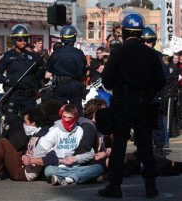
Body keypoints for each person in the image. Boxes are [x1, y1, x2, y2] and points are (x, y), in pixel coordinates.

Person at [98, 12, 165, 198]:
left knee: (119, 145)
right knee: (145, 146)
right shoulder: (150, 54)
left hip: (124, 103)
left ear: (125, 32)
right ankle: (150, 185)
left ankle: (115, 185)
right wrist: (147, 91)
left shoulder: (118, 52)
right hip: (144, 104)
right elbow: (160, 80)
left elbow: (107, 80)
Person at [24, 104, 101, 186]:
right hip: (57, 166)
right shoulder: (54, 131)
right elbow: (39, 152)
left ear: (75, 118)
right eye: (65, 117)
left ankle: (67, 179)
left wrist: (75, 158)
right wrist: (60, 160)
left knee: (99, 168)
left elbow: (91, 153)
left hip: (75, 166)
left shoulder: (79, 131)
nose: (67, 120)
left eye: (70, 118)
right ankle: (77, 177)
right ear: (61, 116)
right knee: (48, 171)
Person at [0, 24, 42, 125]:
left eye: (25, 39)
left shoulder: (33, 56)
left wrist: (41, 69)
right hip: (13, 94)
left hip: (29, 95)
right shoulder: (7, 56)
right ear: (14, 40)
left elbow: (38, 75)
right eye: (19, 40)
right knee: (10, 123)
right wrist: (8, 81)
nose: (23, 42)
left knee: (31, 123)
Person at [140, 26, 170, 158]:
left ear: (153, 42)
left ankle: (159, 147)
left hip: (154, 93)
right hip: (140, 94)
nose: (147, 44)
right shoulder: (136, 56)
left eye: (149, 41)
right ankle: (142, 147)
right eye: (144, 41)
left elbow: (163, 77)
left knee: (157, 123)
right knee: (141, 123)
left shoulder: (160, 57)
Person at [45, 25, 87, 116]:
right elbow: (84, 72)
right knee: (77, 110)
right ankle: (79, 127)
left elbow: (47, 74)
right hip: (76, 85)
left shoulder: (55, 53)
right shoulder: (80, 53)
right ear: (74, 38)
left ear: (62, 38)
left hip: (60, 85)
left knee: (58, 110)